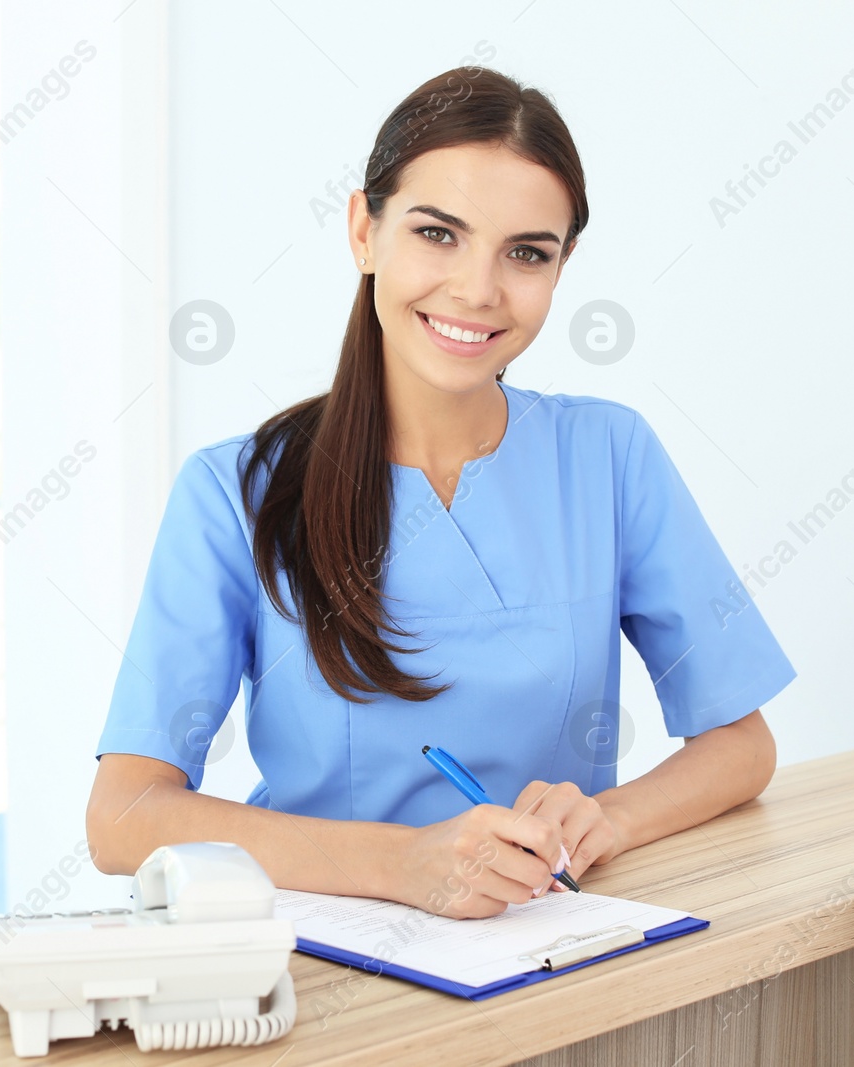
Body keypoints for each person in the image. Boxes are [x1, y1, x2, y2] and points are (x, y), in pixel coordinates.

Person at [86, 65, 795, 919]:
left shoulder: (610, 454)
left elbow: (742, 744)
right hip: (322, 962)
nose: (477, 290)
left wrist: (605, 818)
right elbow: (123, 815)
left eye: (527, 252)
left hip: (548, 942)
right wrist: (403, 863)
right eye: (438, 234)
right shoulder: (234, 491)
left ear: (562, 267)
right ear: (362, 231)